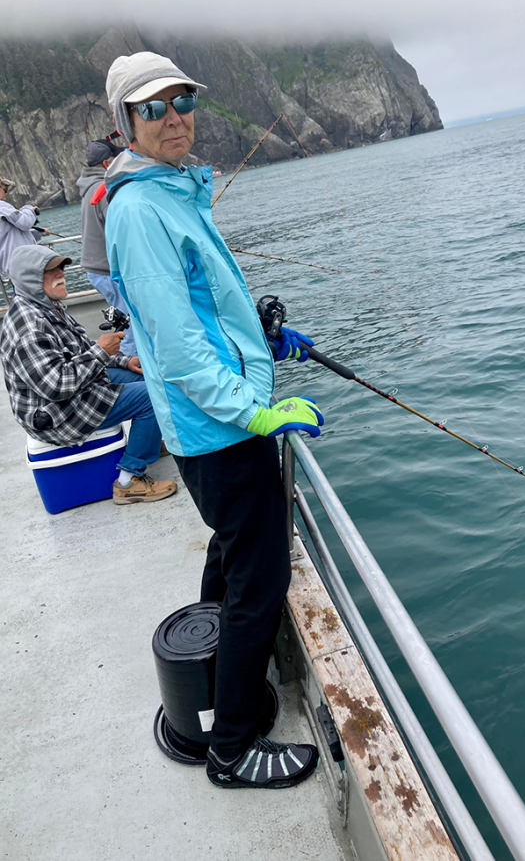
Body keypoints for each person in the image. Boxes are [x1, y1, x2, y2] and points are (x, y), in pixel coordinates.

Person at [104, 51, 325, 789]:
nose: (173, 117)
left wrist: (262, 342)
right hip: (218, 429)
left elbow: (205, 308)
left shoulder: (172, 190)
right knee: (259, 582)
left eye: (182, 100)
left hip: (219, 424)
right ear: (124, 123)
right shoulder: (140, 209)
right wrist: (256, 412)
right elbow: (178, 348)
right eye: (152, 108)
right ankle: (230, 748)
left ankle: (207, 674)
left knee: (233, 555)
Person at [0, 243, 177, 505]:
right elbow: (56, 385)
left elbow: (81, 351)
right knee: (153, 395)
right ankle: (129, 481)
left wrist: (124, 361)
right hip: (55, 413)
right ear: (31, 279)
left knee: (148, 378)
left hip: (74, 392)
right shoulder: (29, 325)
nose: (61, 273)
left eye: (61, 267)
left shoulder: (47, 305)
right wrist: (103, 353)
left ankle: (148, 440)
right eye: (51, 271)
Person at [76, 137, 137, 356]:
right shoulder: (104, 191)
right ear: (106, 164)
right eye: (117, 158)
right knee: (129, 323)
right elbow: (122, 233)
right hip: (107, 270)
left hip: (97, 269)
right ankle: (133, 368)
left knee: (124, 318)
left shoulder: (89, 187)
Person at [0, 175, 50, 278]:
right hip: (22, 265)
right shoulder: (2, 206)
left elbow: (12, 235)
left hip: (13, 267)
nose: (6, 192)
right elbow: (24, 222)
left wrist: (40, 232)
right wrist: (29, 209)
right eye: (5, 189)